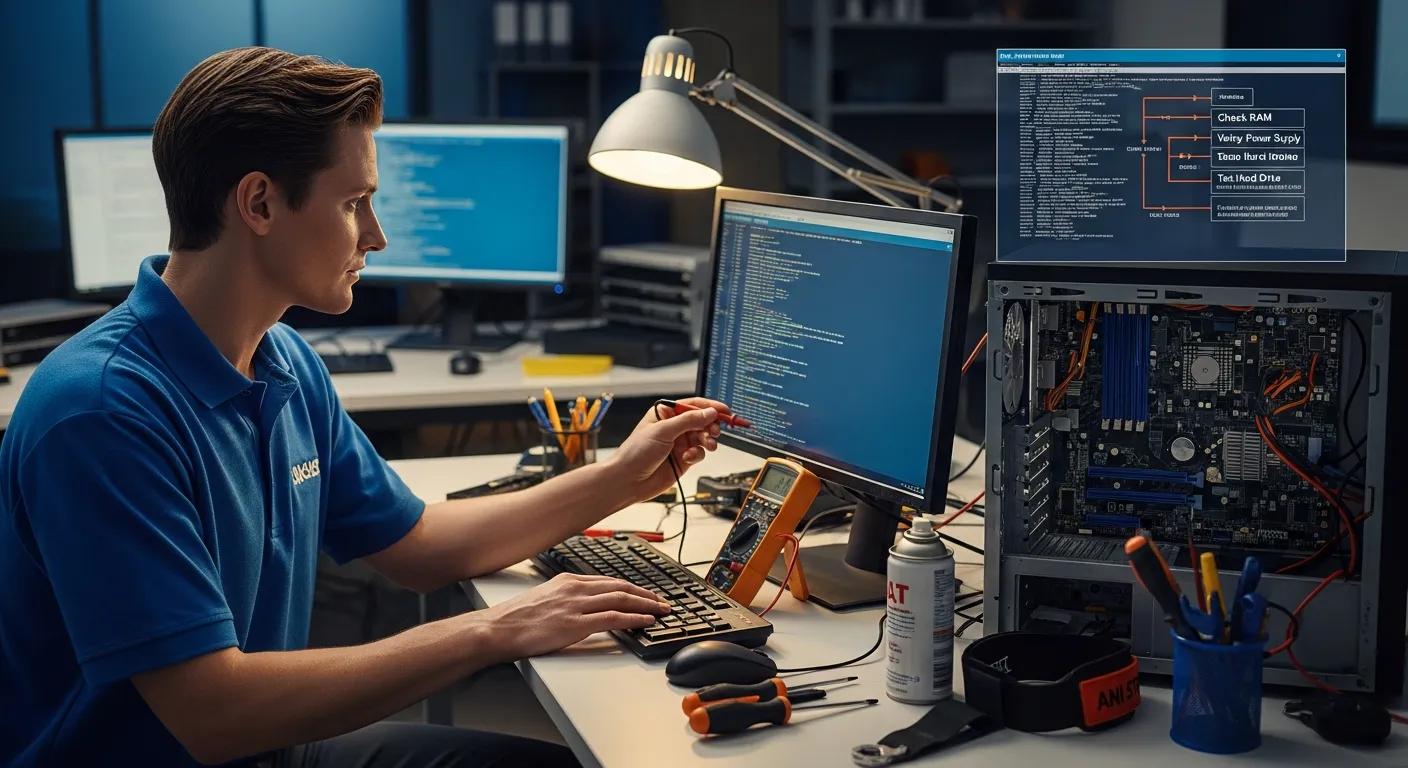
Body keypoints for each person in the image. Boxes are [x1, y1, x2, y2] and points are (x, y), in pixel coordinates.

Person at [0, 47, 733, 767]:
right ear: (258, 202)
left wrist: (622, 476)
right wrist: (495, 630)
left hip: (260, 746)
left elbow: (419, 548)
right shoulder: (100, 413)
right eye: (354, 203)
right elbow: (209, 711)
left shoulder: (282, 361)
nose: (376, 236)